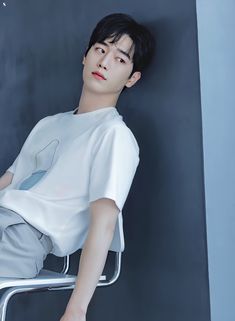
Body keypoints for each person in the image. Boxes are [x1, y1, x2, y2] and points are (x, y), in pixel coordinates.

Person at [0, 12, 155, 321]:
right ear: (85, 56)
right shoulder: (49, 124)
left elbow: (104, 223)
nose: (105, 62)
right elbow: (8, 180)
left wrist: (77, 309)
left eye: (120, 59)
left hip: (24, 236)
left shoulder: (114, 136)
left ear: (132, 78)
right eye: (100, 50)